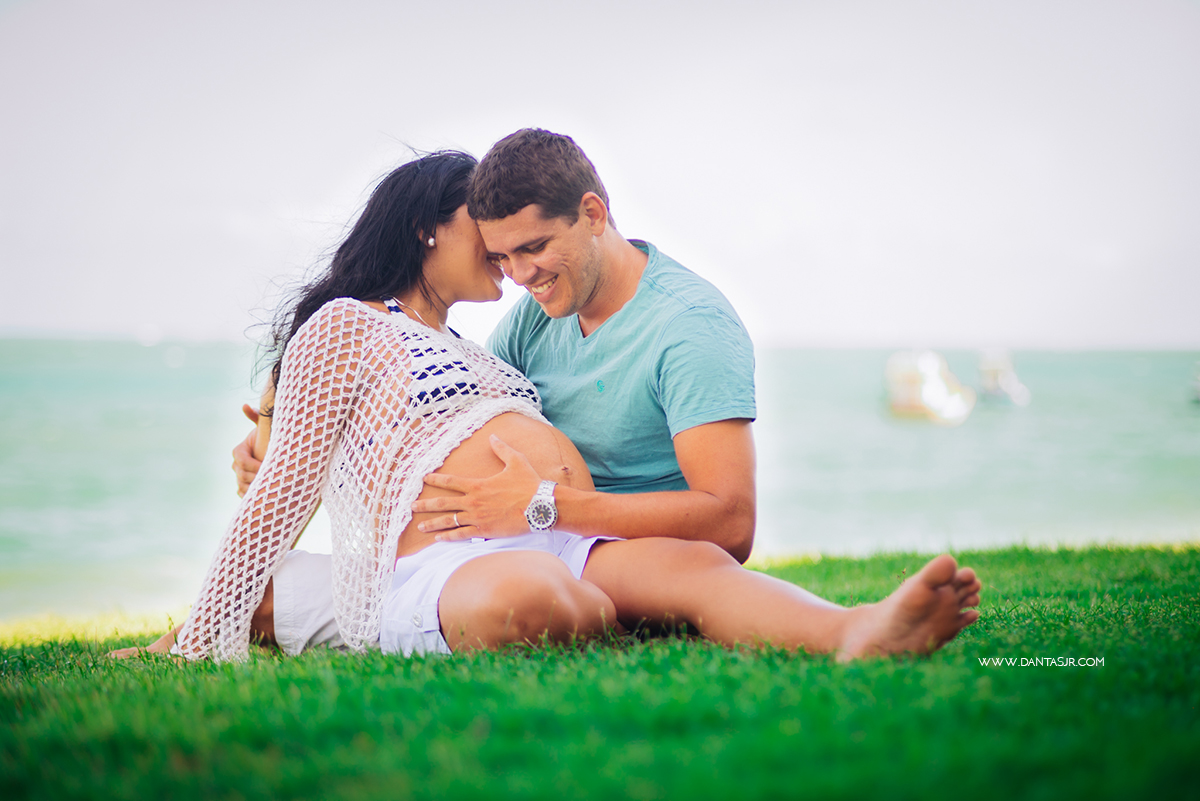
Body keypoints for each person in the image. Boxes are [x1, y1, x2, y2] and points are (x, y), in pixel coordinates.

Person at [112, 150, 981, 664]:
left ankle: (858, 632)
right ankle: (578, 610)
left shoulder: (478, 345)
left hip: (559, 536)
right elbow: (285, 486)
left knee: (694, 569)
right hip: (443, 564)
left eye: (520, 245)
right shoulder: (347, 326)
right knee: (546, 600)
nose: (505, 264)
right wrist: (194, 633)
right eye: (486, 240)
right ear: (427, 229)